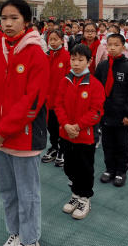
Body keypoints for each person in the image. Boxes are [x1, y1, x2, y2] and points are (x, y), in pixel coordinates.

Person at [0, 0, 49, 246]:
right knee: (8, 191)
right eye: (4, 18)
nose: (7, 24)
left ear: (26, 21)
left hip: (25, 136)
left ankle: (30, 240)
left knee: (27, 194)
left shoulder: (36, 53)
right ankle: (16, 233)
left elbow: (32, 101)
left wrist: (3, 131)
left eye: (14, 18)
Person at [54, 44, 104, 220]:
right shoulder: (64, 81)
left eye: (80, 60)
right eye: (73, 59)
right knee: (69, 167)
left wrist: (78, 126)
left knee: (85, 168)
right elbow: (58, 105)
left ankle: (85, 198)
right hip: (66, 134)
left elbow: (96, 111)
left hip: (85, 136)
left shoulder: (95, 84)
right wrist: (66, 125)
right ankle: (75, 195)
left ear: (89, 62)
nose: (76, 63)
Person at [95, 33, 128, 187]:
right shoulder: (102, 66)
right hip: (106, 114)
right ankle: (110, 168)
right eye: (109, 45)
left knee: (122, 144)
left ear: (123, 46)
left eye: (116, 45)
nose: (112, 48)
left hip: (122, 116)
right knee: (107, 144)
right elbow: (96, 90)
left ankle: (122, 170)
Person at [42, 29, 70, 167]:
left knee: (62, 126)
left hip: (61, 100)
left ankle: (63, 150)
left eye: (55, 39)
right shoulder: (45, 56)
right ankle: (54, 147)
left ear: (62, 40)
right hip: (48, 100)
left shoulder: (67, 57)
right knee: (51, 126)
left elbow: (69, 79)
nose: (52, 42)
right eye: (50, 39)